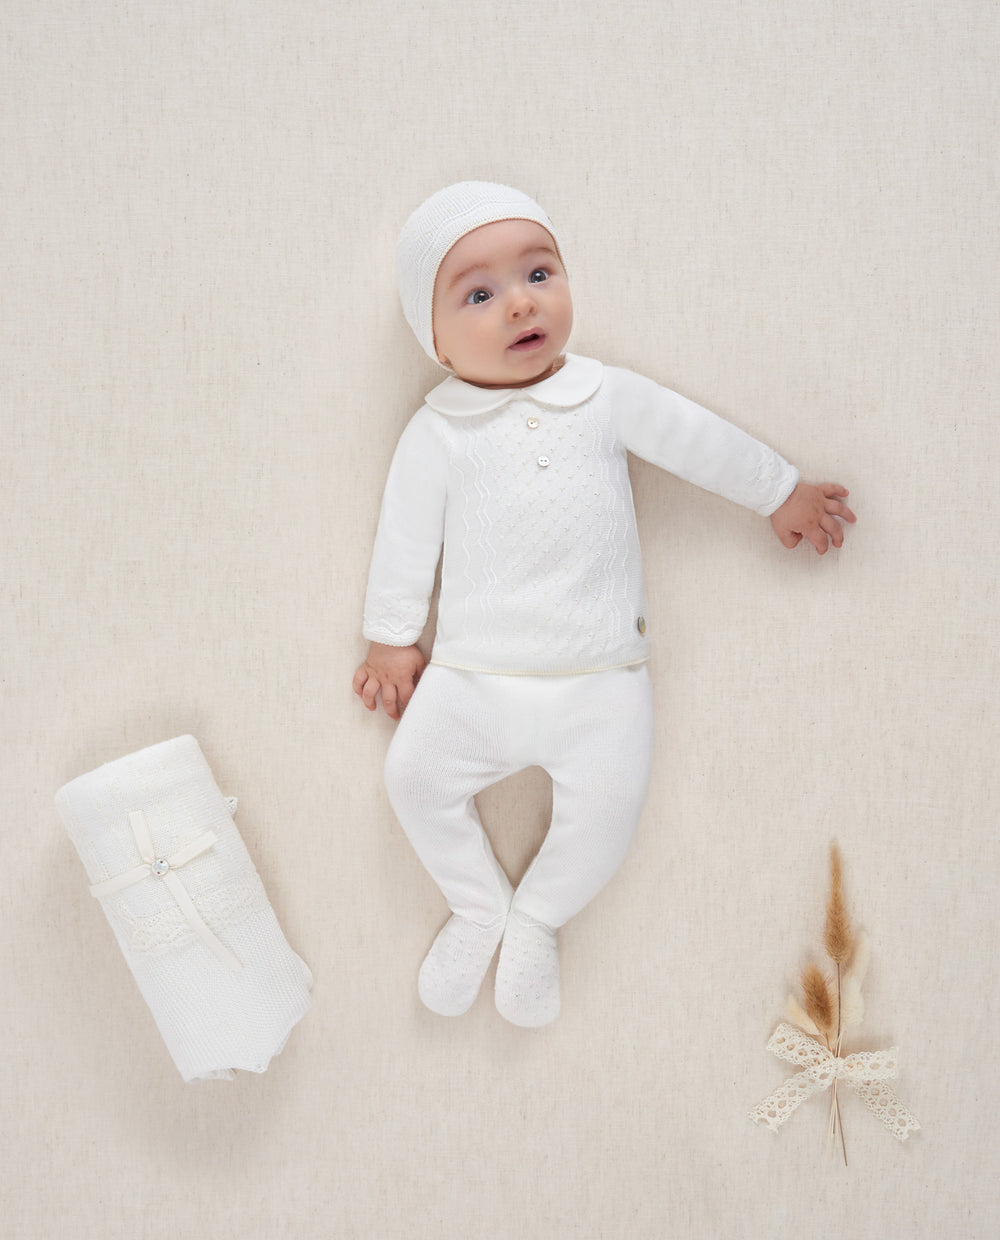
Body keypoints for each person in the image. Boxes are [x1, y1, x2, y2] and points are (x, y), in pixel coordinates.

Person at [353, 182, 855, 1027]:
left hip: (603, 678)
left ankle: (537, 918)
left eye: (539, 273)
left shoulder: (605, 395)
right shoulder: (437, 431)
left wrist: (779, 490)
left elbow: (699, 440)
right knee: (411, 778)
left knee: (610, 813)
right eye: (479, 294)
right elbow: (404, 540)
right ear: (432, 339)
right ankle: (478, 906)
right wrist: (391, 639)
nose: (521, 303)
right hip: (474, 675)